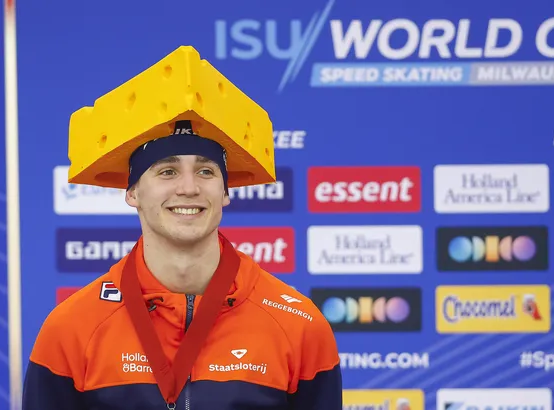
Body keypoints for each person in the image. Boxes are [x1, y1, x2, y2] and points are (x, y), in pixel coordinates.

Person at [22, 47, 342, 409]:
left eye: (206, 171)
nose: (189, 188)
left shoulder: (299, 325)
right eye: (167, 171)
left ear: (225, 192)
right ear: (132, 193)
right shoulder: (71, 329)